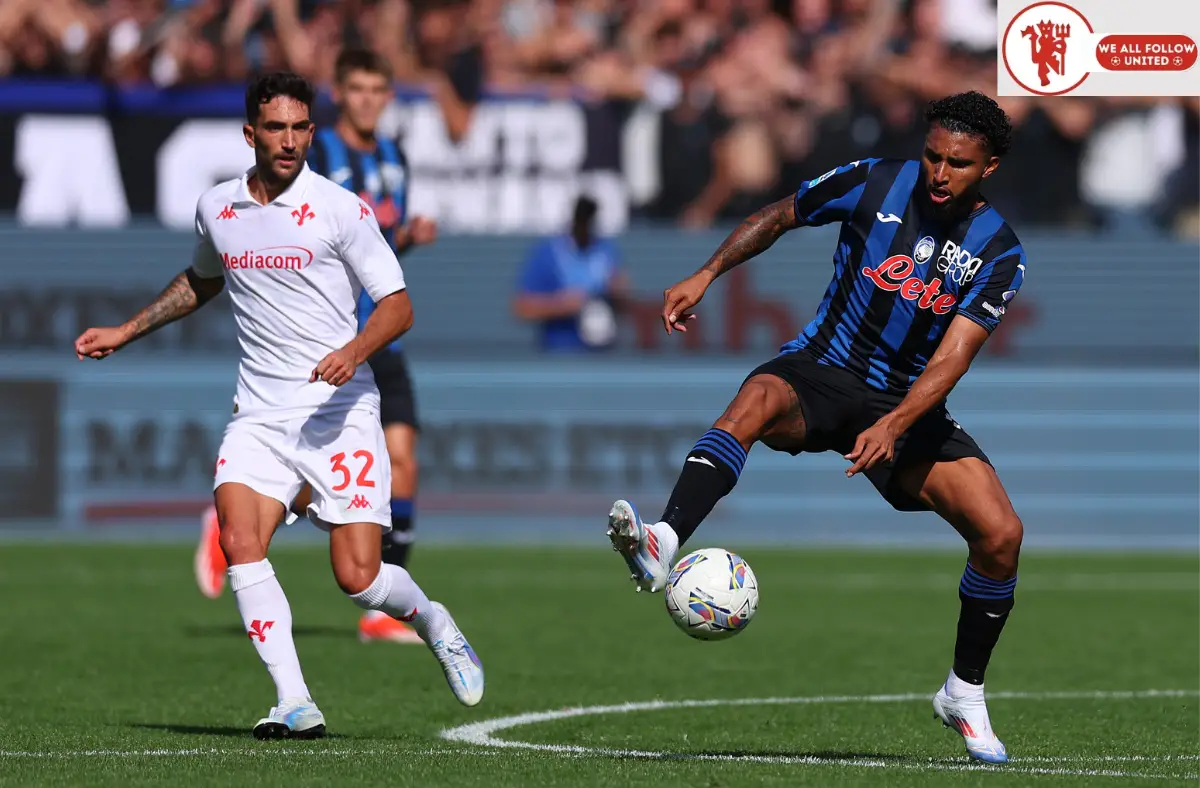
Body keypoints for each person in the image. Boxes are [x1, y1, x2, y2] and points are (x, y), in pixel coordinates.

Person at [606, 91, 1026, 765]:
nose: (940, 173)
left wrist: (896, 422)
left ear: (989, 168)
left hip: (907, 402)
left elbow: (954, 356)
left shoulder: (999, 252)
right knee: (754, 399)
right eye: (933, 156)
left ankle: (963, 693)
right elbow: (779, 216)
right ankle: (662, 539)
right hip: (823, 371)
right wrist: (707, 272)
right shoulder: (874, 181)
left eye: (958, 164)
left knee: (1002, 535)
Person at [76, 72, 484, 738]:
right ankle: (294, 700)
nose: (289, 141)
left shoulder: (340, 208)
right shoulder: (218, 207)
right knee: (240, 539)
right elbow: (203, 279)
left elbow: (399, 306)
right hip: (261, 415)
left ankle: (433, 619)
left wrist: (354, 352)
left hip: (339, 409)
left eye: (300, 128)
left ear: (311, 133)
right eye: (276, 128)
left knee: (357, 576)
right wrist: (127, 330)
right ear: (250, 134)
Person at [194, 49, 436, 647]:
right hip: (319, 346)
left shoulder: (393, 156)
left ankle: (385, 601)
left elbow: (364, 247)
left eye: (379, 89)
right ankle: (235, 512)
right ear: (340, 97)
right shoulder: (315, 156)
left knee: (403, 460)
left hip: (369, 333)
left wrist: (403, 239)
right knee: (322, 473)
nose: (368, 100)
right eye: (357, 89)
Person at [512, 195, 628, 352]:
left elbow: (622, 299)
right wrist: (561, 305)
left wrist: (619, 292)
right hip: (560, 353)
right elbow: (522, 307)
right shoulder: (548, 254)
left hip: (601, 353)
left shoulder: (605, 250)